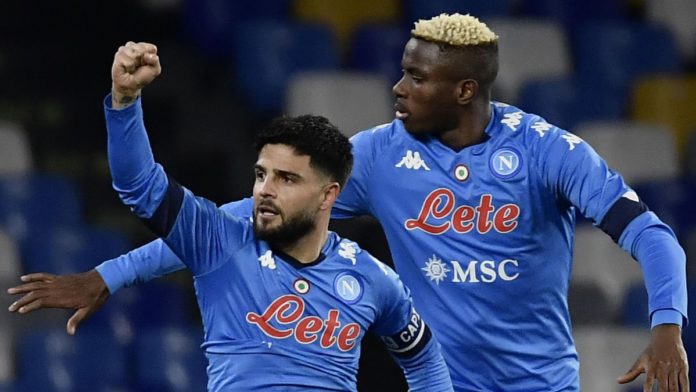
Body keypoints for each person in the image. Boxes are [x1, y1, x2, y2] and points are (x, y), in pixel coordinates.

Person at [8, 14, 688, 391]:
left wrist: (666, 326)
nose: (396, 87)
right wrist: (108, 274)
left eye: (416, 77)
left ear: (464, 93)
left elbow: (652, 235)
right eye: (400, 69)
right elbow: (235, 222)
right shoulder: (381, 155)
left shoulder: (549, 153)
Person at [18, 41, 454, 391]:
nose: (265, 189)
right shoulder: (220, 241)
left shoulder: (373, 279)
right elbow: (140, 187)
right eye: (261, 174)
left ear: (328, 196)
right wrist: (125, 101)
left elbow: (423, 359)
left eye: (286, 179)